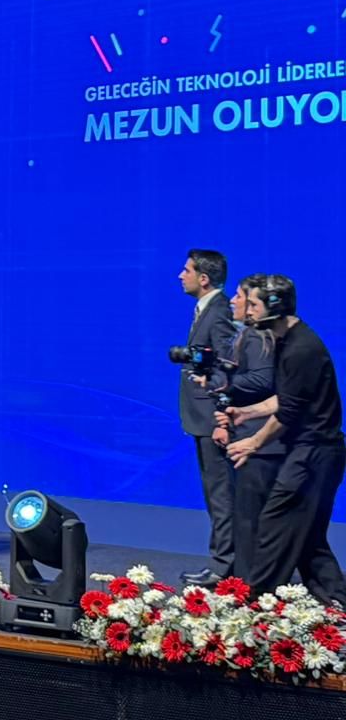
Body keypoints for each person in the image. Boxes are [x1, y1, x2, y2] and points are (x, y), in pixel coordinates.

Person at [224, 274, 346, 603]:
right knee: (308, 539)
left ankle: (256, 601)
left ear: (275, 307)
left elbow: (289, 412)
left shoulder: (301, 348)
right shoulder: (286, 342)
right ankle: (335, 602)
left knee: (276, 524)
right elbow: (288, 396)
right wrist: (246, 412)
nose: (248, 309)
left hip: (315, 454)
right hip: (311, 452)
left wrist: (253, 442)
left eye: (254, 304)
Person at [208, 275, 280, 582]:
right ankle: (246, 582)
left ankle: (252, 586)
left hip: (258, 440)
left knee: (252, 518)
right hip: (246, 433)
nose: (234, 302)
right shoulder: (247, 336)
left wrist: (221, 383)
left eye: (240, 297)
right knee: (246, 516)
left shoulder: (256, 338)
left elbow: (262, 380)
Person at [177, 248, 237, 586]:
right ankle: (224, 562)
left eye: (186, 270)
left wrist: (220, 418)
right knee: (215, 494)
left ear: (203, 278)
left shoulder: (219, 313)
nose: (180, 275)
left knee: (221, 494)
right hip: (201, 418)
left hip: (213, 420)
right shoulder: (206, 310)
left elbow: (228, 366)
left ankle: (224, 566)